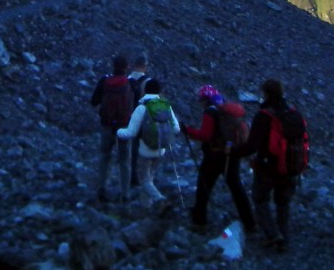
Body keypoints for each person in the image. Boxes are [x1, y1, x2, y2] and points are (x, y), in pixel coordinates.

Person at [181, 84, 256, 233]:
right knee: (236, 187)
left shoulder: (210, 112)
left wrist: (187, 130)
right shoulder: (223, 108)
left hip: (214, 156)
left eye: (201, 99)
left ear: (205, 99)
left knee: (204, 187)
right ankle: (250, 222)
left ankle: (199, 221)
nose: (199, 102)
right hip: (231, 154)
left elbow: (206, 135)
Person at [248, 79, 304, 251]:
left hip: (268, 166)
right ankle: (284, 238)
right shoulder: (293, 113)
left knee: (260, 199)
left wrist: (235, 153)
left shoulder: (264, 115)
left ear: (266, 93)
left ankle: (273, 235)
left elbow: (252, 144)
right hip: (292, 165)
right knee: (283, 202)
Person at [119, 78, 179, 203]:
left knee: (144, 179)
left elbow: (131, 132)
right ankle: (147, 205)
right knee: (150, 176)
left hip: (145, 148)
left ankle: (159, 199)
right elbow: (176, 128)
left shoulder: (141, 108)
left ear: (145, 90)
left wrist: (118, 132)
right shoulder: (165, 105)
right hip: (161, 148)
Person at [90, 55, 135, 202]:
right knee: (124, 161)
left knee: (104, 156)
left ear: (113, 66)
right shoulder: (130, 83)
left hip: (107, 125)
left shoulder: (104, 81)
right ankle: (125, 194)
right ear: (126, 68)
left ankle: (101, 187)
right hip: (124, 126)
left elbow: (94, 101)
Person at [125, 54, 152, 188]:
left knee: (126, 148)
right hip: (140, 119)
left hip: (125, 118)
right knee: (139, 149)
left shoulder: (125, 80)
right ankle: (138, 177)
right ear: (145, 66)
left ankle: (126, 177)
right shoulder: (147, 81)